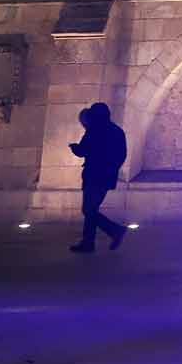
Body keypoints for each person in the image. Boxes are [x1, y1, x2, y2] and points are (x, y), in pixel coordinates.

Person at [69, 101, 129, 253]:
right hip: (107, 176)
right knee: (91, 209)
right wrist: (112, 168)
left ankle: (115, 230)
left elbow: (83, 150)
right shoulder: (117, 131)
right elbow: (121, 155)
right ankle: (88, 243)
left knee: (89, 210)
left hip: (94, 175)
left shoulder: (94, 130)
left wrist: (74, 148)